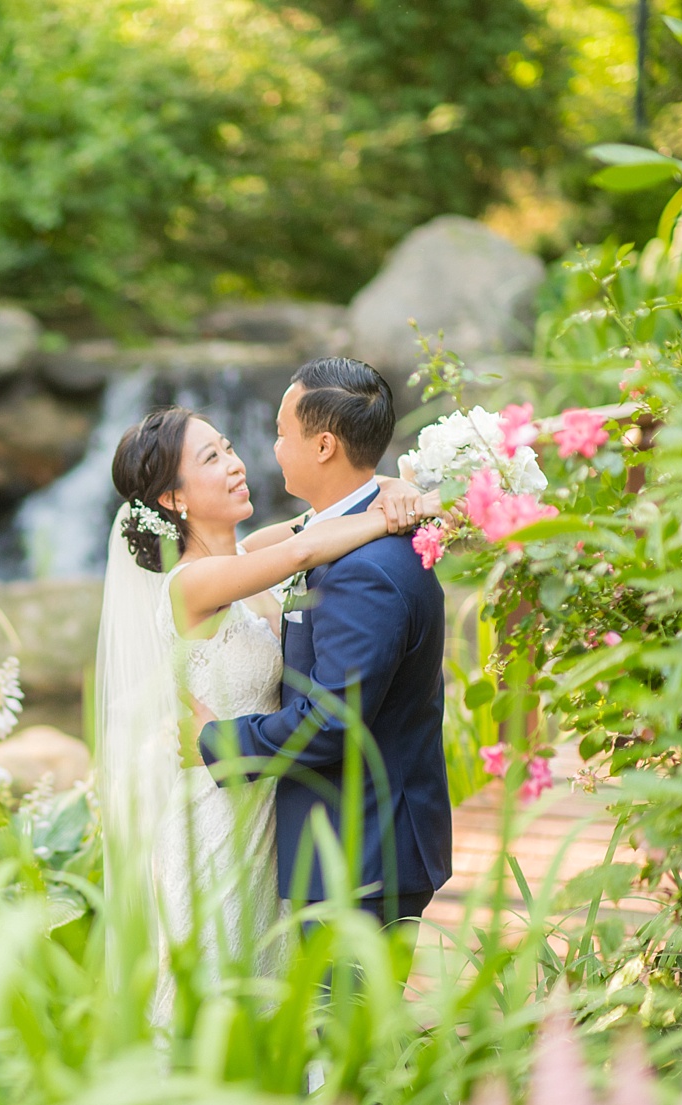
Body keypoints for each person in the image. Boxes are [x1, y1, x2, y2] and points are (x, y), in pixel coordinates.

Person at [94, 396, 435, 1019]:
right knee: (216, 988)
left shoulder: (247, 558)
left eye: (228, 446)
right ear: (176, 498)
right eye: (210, 458)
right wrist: (392, 518)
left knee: (275, 995)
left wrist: (390, 487)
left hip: (273, 811)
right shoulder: (190, 584)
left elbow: (325, 519)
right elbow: (307, 551)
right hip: (214, 814)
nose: (235, 463)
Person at [196, 357, 452, 927]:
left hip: (361, 850)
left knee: (346, 1018)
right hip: (342, 840)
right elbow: (295, 547)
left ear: (324, 445)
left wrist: (216, 740)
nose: (274, 449)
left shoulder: (363, 568)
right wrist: (394, 486)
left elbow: (331, 720)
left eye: (283, 433)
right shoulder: (340, 534)